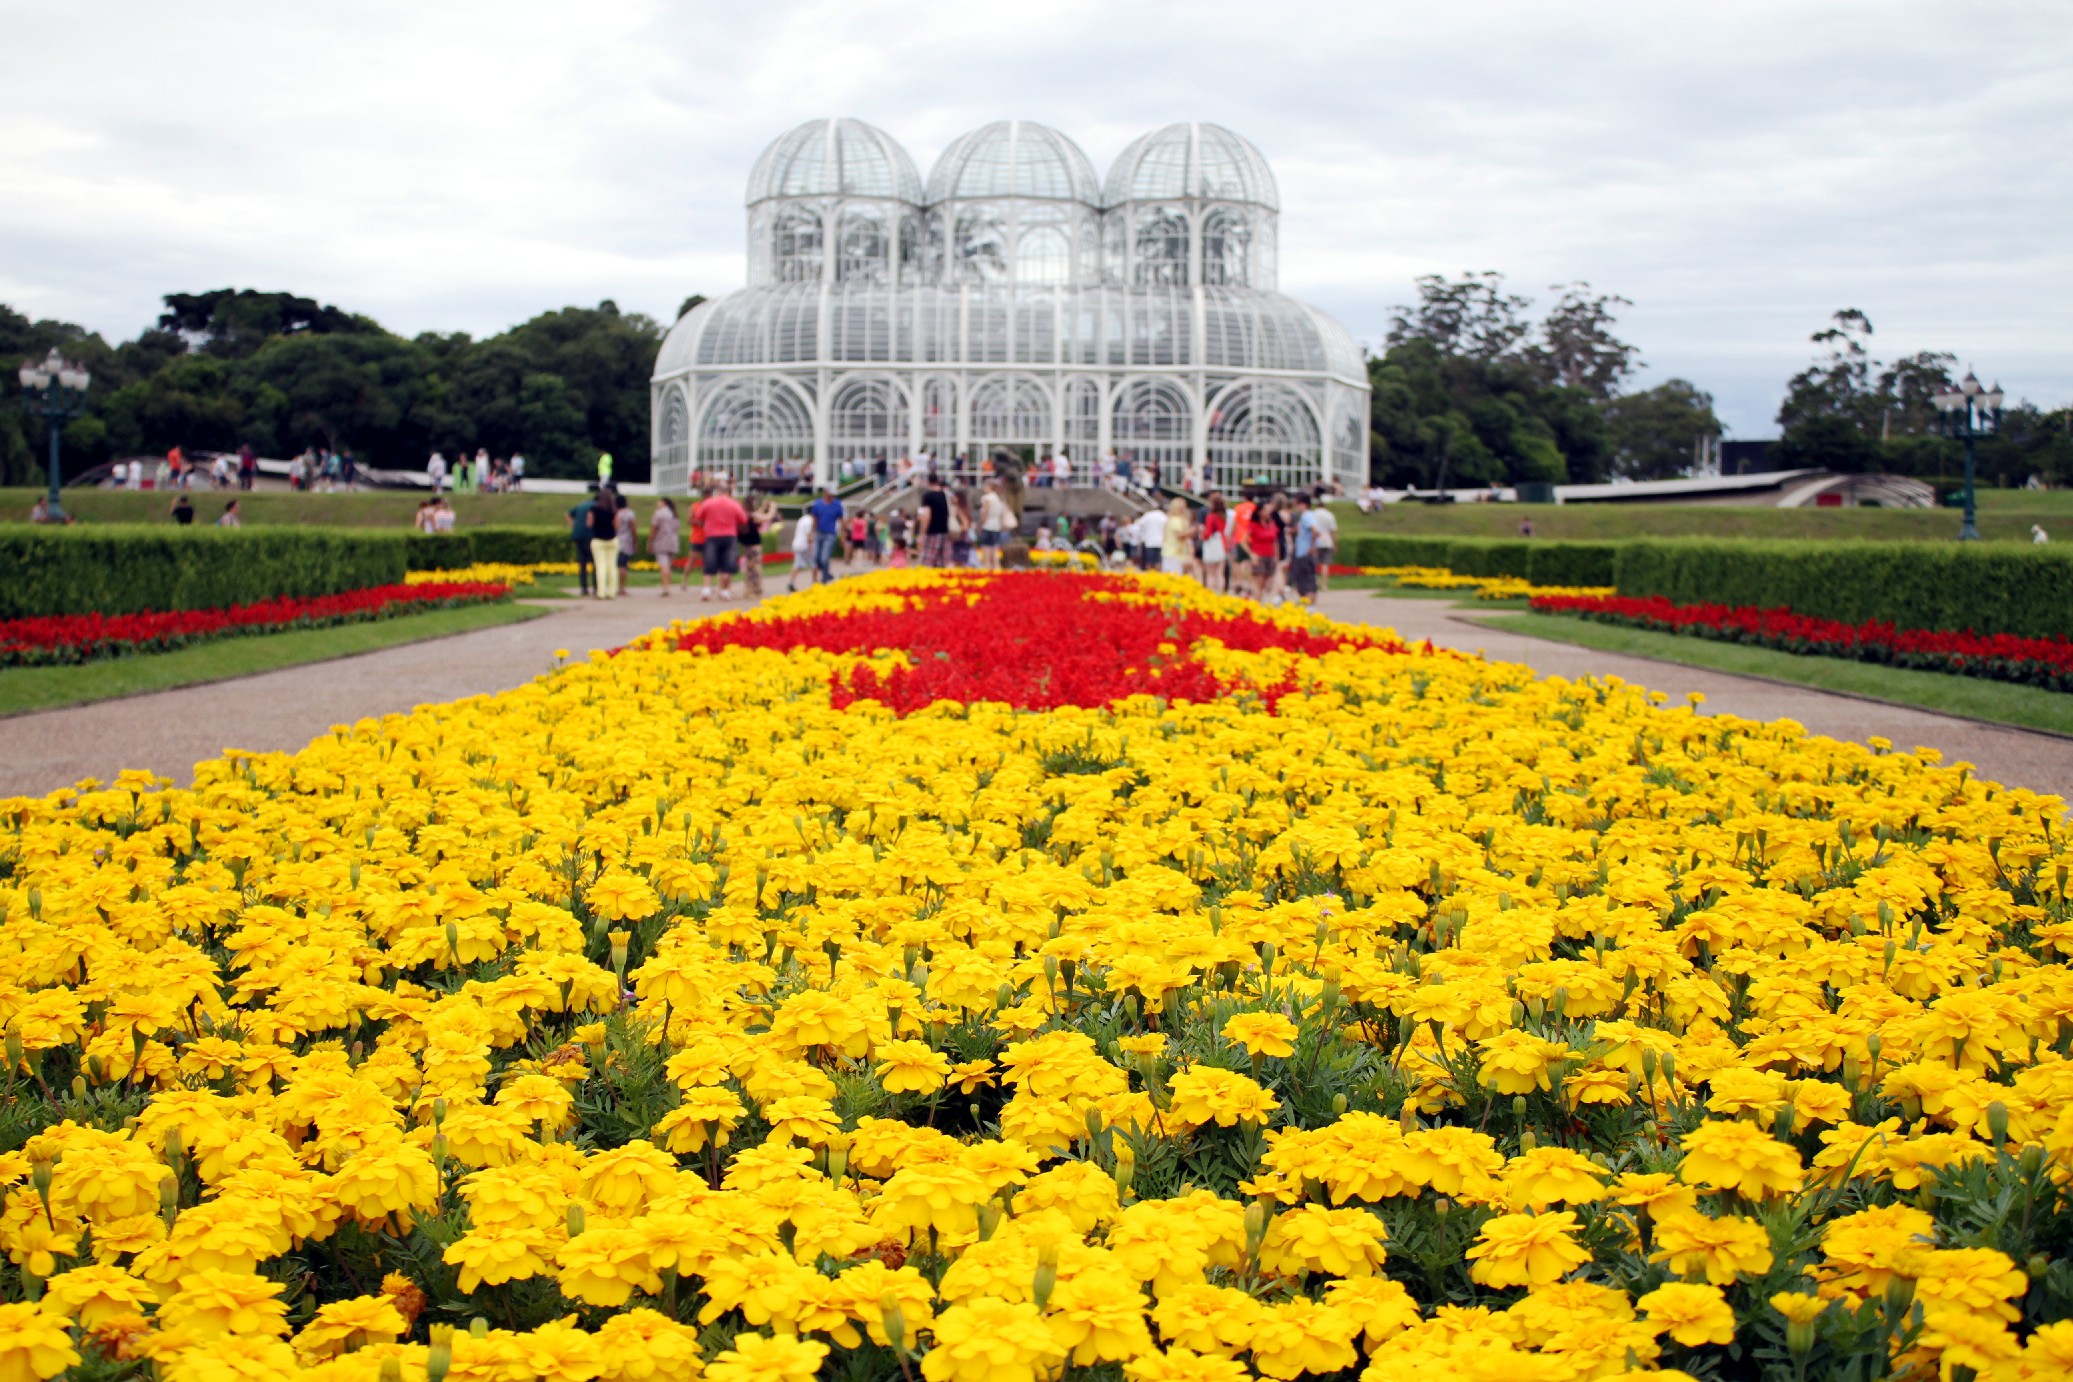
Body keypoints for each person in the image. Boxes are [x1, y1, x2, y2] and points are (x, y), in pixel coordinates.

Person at [692, 482, 749, 600]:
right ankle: (724, 590)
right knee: (727, 563)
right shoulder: (734, 504)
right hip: (730, 536)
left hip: (712, 536)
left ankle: (706, 590)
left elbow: (698, 516)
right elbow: (743, 520)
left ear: (717, 492)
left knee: (709, 562)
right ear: (729, 492)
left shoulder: (708, 503)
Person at [1287, 493, 1320, 602]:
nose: (1296, 507)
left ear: (1303, 504)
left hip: (1304, 552)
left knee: (1305, 579)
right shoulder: (1307, 516)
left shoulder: (1306, 516)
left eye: (1297, 504)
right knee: (1306, 579)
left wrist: (1312, 546)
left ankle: (1308, 601)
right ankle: (1308, 601)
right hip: (1303, 552)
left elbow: (1315, 531)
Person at [588, 488, 621, 599]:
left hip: (598, 539)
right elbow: (617, 526)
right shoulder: (614, 510)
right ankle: (612, 592)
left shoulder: (593, 509)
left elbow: (589, 523)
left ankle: (601, 592)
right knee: (612, 566)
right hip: (612, 539)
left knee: (600, 566)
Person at [808, 487, 843, 584]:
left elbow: (841, 520)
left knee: (824, 557)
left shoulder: (837, 504)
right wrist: (812, 533)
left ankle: (824, 578)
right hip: (819, 533)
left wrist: (843, 536)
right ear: (825, 493)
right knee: (817, 558)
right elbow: (815, 519)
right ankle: (827, 573)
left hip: (830, 534)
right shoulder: (818, 504)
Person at [917, 476, 953, 567]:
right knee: (942, 562)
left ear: (928, 482)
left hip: (932, 532)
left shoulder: (928, 496)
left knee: (927, 562)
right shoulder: (946, 495)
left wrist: (922, 533)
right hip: (945, 531)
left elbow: (926, 516)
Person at [568, 488, 598, 596]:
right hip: (590, 536)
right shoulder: (596, 506)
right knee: (596, 562)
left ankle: (584, 588)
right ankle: (596, 587)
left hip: (577, 535)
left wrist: (573, 526)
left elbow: (568, 514)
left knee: (582, 563)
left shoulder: (582, 504)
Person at [743, 499, 774, 601]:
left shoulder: (746, 514)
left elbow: (757, 514)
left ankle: (749, 589)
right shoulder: (751, 515)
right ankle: (755, 590)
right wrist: (773, 507)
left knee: (750, 568)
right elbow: (767, 517)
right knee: (755, 568)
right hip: (753, 545)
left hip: (747, 544)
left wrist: (764, 507)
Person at [650, 499, 682, 597]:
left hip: (661, 541)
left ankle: (665, 588)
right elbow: (677, 527)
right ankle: (668, 586)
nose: (657, 503)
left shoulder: (658, 514)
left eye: (659, 501)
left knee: (664, 566)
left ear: (664, 503)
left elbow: (654, 528)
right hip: (673, 541)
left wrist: (650, 541)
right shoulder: (674, 514)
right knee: (668, 565)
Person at [978, 480, 1012, 571]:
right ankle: (997, 569)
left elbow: (985, 513)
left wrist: (980, 525)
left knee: (986, 552)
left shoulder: (987, 498)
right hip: (996, 527)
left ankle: (987, 569)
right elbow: (1001, 515)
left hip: (987, 526)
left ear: (990, 487)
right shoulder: (999, 498)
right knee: (994, 551)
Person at [1199, 493, 1230, 591]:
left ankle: (1211, 591)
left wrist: (1202, 535)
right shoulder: (1224, 516)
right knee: (1220, 572)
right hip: (1221, 542)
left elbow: (1208, 533)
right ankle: (1220, 591)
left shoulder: (1211, 516)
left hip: (1212, 543)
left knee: (1210, 572)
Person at [1309, 497, 1339, 592]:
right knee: (1325, 564)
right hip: (1327, 540)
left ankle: (1314, 582)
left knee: (1314, 563)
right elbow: (1333, 531)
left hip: (1315, 540)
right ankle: (1324, 585)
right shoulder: (1330, 515)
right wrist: (1334, 543)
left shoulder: (1312, 514)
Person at [788, 504, 816, 592]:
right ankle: (815, 583)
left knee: (798, 563)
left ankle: (791, 582)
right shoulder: (810, 521)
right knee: (814, 563)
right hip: (805, 545)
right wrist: (811, 548)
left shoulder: (802, 519)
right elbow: (809, 536)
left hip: (797, 543)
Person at [1162, 497, 1192, 575]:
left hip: (1174, 553)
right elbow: (1180, 535)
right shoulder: (1176, 520)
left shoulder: (1172, 519)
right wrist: (1193, 530)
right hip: (1174, 553)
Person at [615, 493, 637, 594]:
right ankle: (622, 587)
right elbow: (633, 528)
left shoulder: (615, 513)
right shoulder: (629, 513)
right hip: (626, 541)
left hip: (614, 540)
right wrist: (634, 540)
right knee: (623, 565)